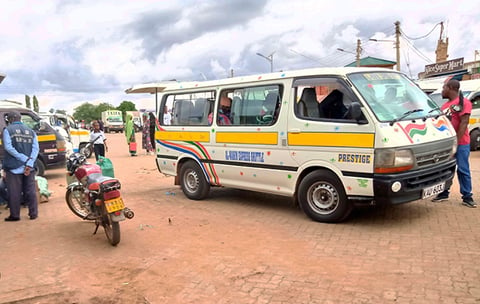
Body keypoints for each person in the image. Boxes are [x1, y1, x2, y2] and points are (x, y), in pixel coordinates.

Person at [432, 79, 476, 208]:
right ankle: (443, 193)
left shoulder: (464, 103)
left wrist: (455, 143)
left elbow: (464, 123)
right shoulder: (445, 106)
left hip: (461, 143)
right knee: (446, 169)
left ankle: (467, 196)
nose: (442, 90)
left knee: (463, 169)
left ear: (451, 88)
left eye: (444, 87)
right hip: (447, 145)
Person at [2, 111, 39, 221]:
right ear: (20, 118)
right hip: (29, 167)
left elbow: (8, 147)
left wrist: (23, 158)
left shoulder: (7, 130)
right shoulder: (31, 131)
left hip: (14, 166)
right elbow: (35, 149)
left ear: (10, 119)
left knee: (14, 192)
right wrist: (29, 162)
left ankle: (15, 215)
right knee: (30, 190)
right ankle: (33, 213)